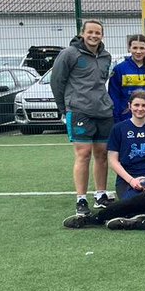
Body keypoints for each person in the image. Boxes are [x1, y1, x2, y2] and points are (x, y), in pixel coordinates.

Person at [50, 20, 114, 216]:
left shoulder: (106, 56)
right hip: (79, 111)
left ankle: (101, 196)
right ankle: (81, 199)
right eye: (90, 32)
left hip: (103, 111)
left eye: (98, 33)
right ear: (82, 33)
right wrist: (64, 108)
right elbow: (57, 81)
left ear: (102, 35)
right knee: (83, 153)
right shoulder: (69, 53)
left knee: (102, 154)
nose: (94, 36)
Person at [106, 91, 145, 201]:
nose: (140, 109)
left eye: (144, 105)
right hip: (127, 178)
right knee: (132, 203)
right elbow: (113, 161)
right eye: (136, 105)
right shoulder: (118, 129)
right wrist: (131, 181)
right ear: (129, 106)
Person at [107, 34, 145, 128]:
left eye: (142, 48)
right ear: (129, 48)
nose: (138, 51)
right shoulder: (119, 69)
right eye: (135, 48)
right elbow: (114, 97)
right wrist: (117, 119)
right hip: (125, 119)